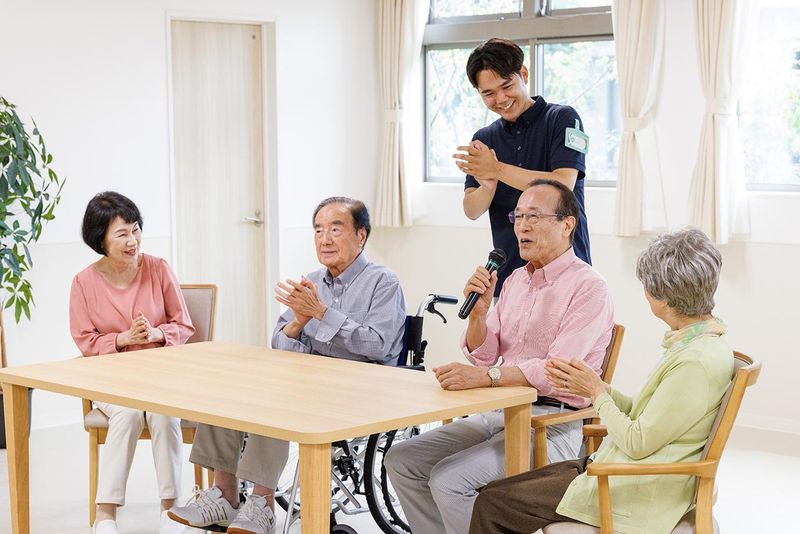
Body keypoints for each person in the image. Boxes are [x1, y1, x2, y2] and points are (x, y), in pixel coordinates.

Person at [384, 179, 613, 534]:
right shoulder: (515, 280)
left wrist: (489, 378)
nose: (522, 226)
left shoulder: (589, 287)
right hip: (499, 413)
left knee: (449, 480)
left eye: (533, 216)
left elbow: (557, 370)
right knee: (402, 459)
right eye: (517, 216)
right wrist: (479, 316)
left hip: (553, 424)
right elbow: (485, 356)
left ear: (567, 224)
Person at [469, 227, 734, 534]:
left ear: (663, 298)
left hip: (629, 485)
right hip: (614, 467)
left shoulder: (694, 362)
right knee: (498, 491)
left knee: (492, 502)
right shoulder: (699, 344)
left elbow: (637, 442)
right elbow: (648, 416)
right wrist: (601, 388)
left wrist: (597, 393)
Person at [168, 196, 407, 534]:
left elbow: (378, 345)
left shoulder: (383, 282)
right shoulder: (312, 281)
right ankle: (224, 495)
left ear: (361, 235)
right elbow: (279, 343)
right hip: (309, 382)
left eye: (335, 229)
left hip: (362, 390)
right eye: (318, 231)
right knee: (228, 387)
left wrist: (322, 313)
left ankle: (262, 504)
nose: (324, 239)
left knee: (276, 399)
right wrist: (298, 322)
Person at [69, 191, 195, 534]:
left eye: (136, 229)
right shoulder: (83, 282)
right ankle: (105, 514)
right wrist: (121, 339)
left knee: (162, 412)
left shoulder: (158, 268)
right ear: (101, 240)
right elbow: (84, 339)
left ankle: (170, 509)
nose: (132, 241)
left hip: (160, 377)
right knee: (126, 412)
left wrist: (156, 333)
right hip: (111, 380)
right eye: (122, 234)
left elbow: (184, 325)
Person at [456, 38, 591, 298]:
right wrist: (487, 187)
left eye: (507, 86)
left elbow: (564, 183)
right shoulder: (484, 139)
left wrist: (496, 169)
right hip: (509, 278)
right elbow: (471, 209)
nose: (500, 99)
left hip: (566, 274)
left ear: (524, 74)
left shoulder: (563, 119)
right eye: (488, 93)